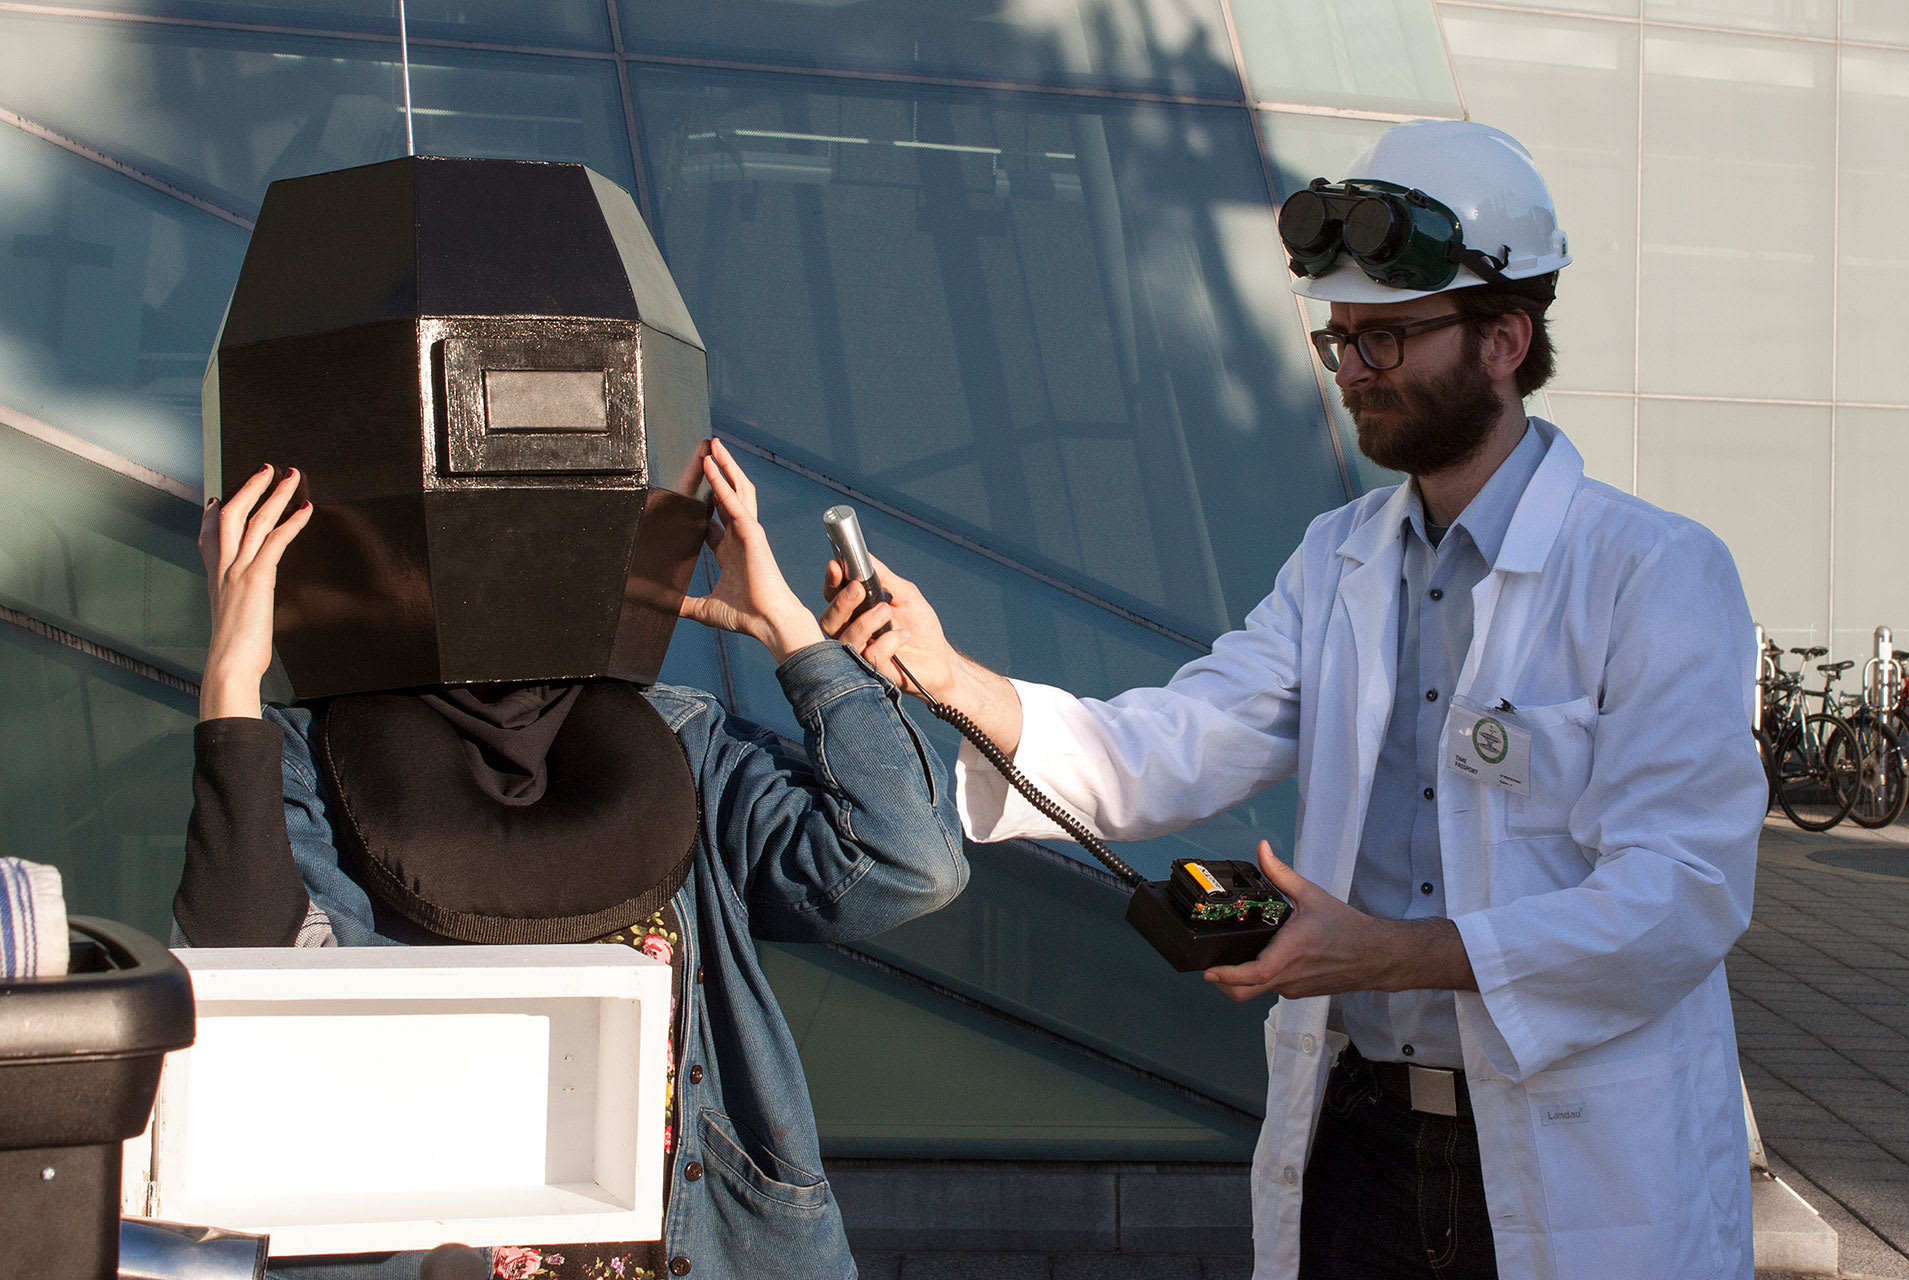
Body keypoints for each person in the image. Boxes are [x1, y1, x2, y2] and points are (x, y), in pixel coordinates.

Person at [822, 120, 1765, 1280]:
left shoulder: (1654, 571)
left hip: (1572, 1150)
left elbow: (1682, 896)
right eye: (1344, 341)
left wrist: (1388, 952)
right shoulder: (1339, 558)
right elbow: (1169, 746)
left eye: (1390, 338)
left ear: (1505, 338)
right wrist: (946, 670)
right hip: (1359, 1141)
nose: (1357, 372)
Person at [177, 441, 966, 1280]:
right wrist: (231, 680)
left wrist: (792, 634)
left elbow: (908, 861)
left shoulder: (678, 745)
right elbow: (248, 985)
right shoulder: (310, 758)